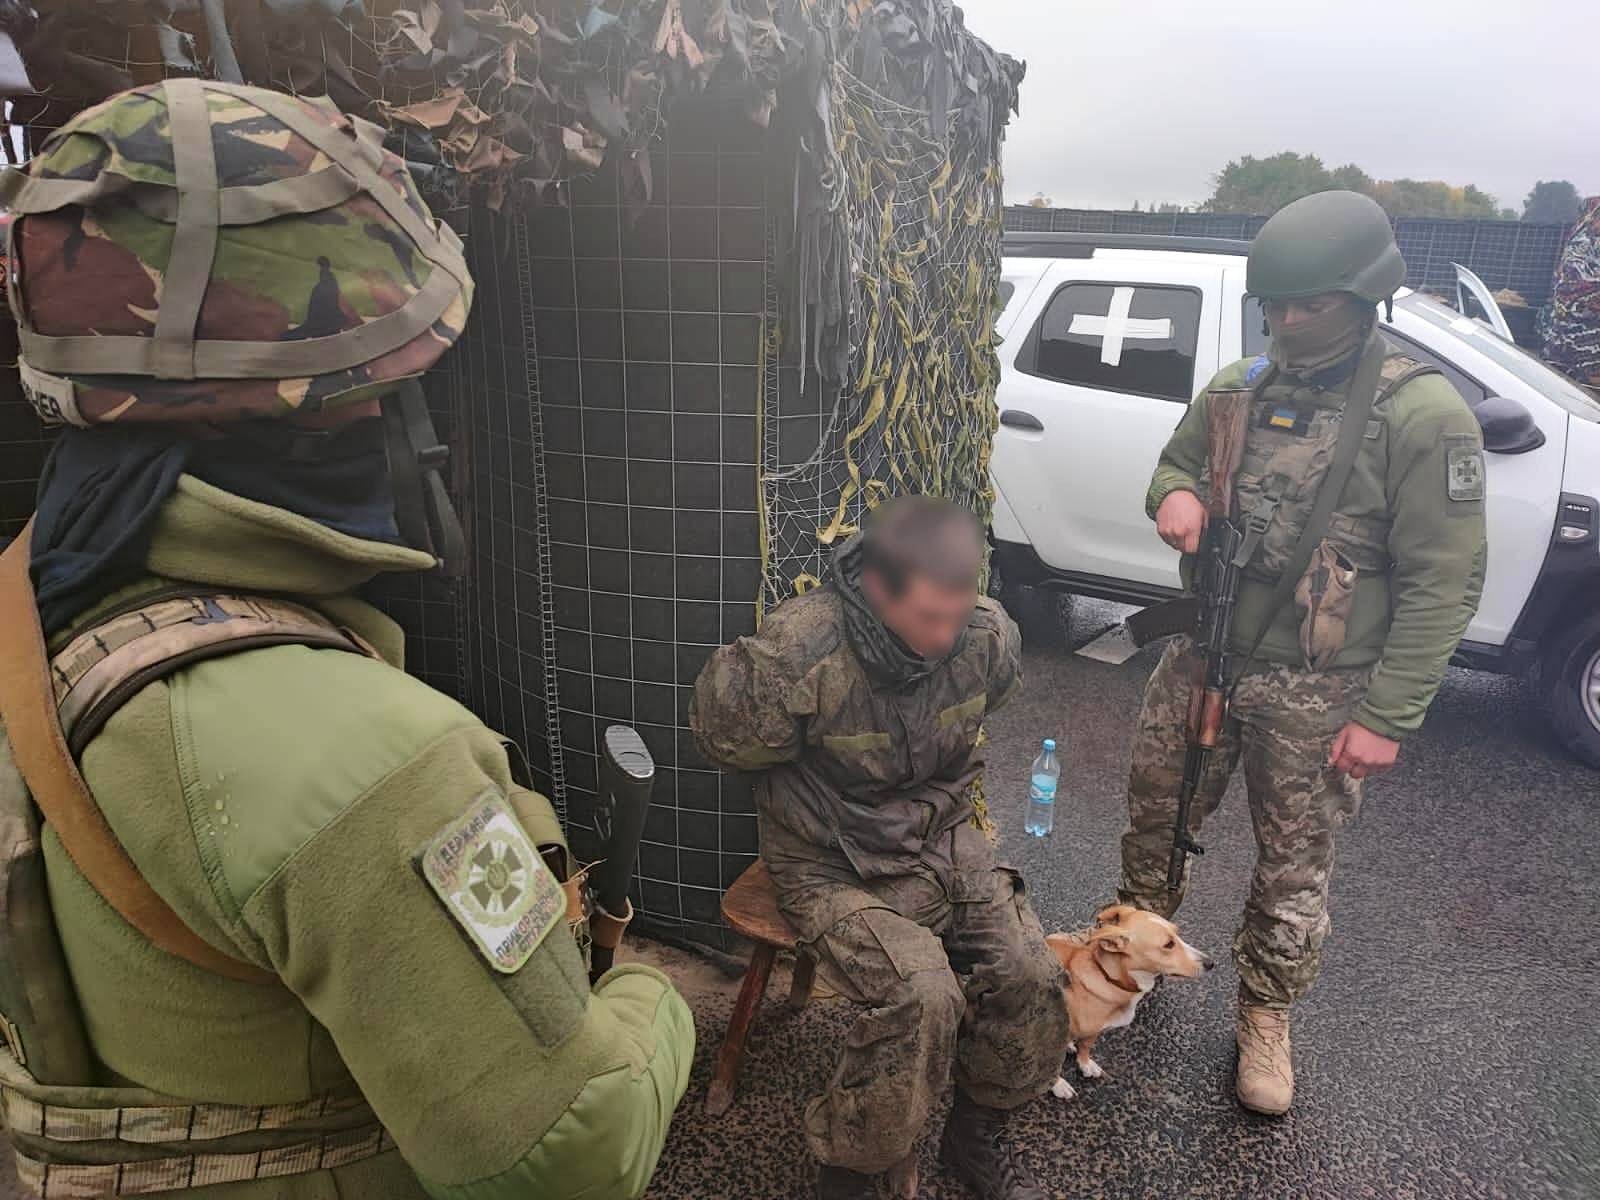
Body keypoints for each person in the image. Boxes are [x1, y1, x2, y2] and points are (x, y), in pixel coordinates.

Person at [0, 81, 691, 1198]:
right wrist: (650, 998)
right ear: (339, 403)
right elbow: (575, 1149)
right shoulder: (372, 758)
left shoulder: (35, 607)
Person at [1120, 190, 1488, 1115]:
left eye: (1307, 304)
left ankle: (1266, 1016)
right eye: (1274, 304)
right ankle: (1131, 954)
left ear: (1367, 297)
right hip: (1205, 658)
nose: (1286, 321)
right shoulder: (1239, 387)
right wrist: (1173, 497)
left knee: (1292, 865)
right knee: (1156, 812)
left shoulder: (1422, 413)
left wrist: (1388, 714)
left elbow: (1446, 581)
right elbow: (1173, 462)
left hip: (1319, 688)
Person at [691, 497, 1069, 1200]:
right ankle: (850, 1174)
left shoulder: (986, 635)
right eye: (929, 618)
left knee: (1031, 977)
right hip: (830, 861)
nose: (945, 635)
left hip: (942, 839)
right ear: (874, 588)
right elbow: (724, 741)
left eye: (957, 615)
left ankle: (974, 1133)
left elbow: (995, 687)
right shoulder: (798, 652)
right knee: (921, 995)